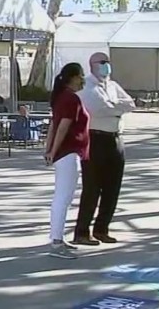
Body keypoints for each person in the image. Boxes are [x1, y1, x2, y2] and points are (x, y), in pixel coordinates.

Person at [72, 52, 136, 245]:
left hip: (116, 139)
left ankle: (102, 228)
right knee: (92, 187)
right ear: (91, 65)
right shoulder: (87, 86)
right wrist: (117, 108)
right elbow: (97, 108)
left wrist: (114, 106)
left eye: (107, 62)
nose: (105, 66)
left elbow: (131, 104)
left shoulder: (113, 86)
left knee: (112, 188)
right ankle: (82, 231)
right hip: (95, 139)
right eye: (101, 62)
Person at [46, 62, 90, 259]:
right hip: (68, 153)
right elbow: (62, 127)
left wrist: (49, 150)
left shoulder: (61, 98)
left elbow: (53, 125)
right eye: (80, 75)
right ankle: (56, 241)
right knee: (63, 197)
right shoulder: (71, 99)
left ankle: (58, 238)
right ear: (72, 77)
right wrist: (53, 150)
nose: (83, 79)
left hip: (65, 153)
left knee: (63, 196)